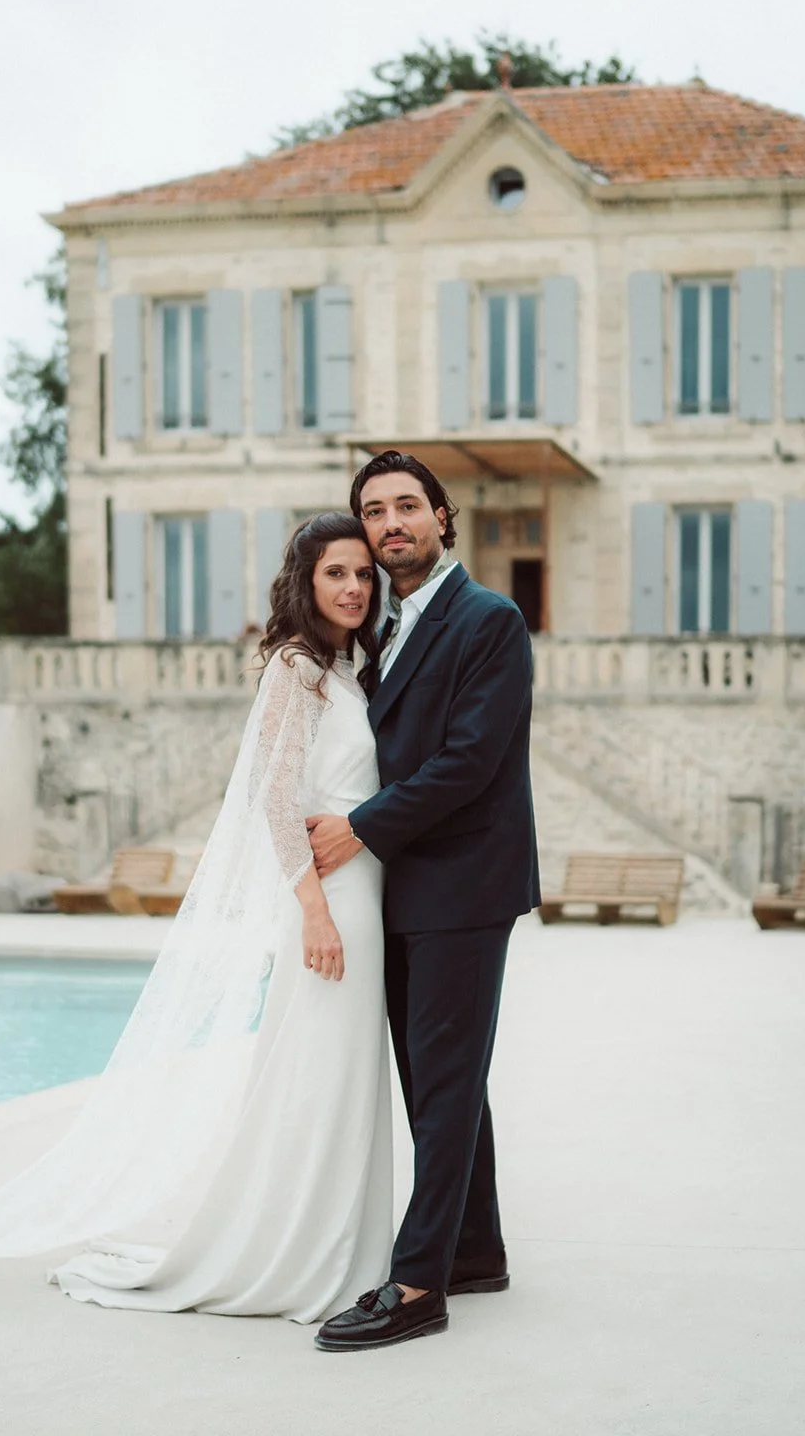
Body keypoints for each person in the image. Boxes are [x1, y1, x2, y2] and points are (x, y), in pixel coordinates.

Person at [0, 513, 394, 1328]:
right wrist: (311, 910)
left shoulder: (350, 669)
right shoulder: (295, 668)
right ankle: (300, 1254)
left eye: (362, 574)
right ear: (305, 583)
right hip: (328, 901)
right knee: (314, 1075)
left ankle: (346, 1245)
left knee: (342, 1075)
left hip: (364, 890)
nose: (353, 587)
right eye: (335, 572)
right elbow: (272, 801)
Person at [307, 452, 540, 1352]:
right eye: (373, 511)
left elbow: (469, 761)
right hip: (403, 887)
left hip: (463, 884)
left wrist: (359, 828)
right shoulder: (378, 625)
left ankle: (417, 1286)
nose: (390, 523)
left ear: (442, 518)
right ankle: (474, 1252)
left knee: (441, 1087)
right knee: (439, 1080)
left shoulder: (489, 619)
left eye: (407, 506)